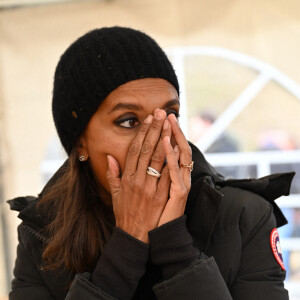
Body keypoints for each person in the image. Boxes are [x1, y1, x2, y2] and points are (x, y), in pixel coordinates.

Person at [8, 27, 295, 300]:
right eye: (129, 121)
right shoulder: (43, 234)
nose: (159, 139)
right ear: (81, 143)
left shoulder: (244, 216)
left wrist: (175, 247)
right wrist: (126, 246)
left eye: (170, 115)